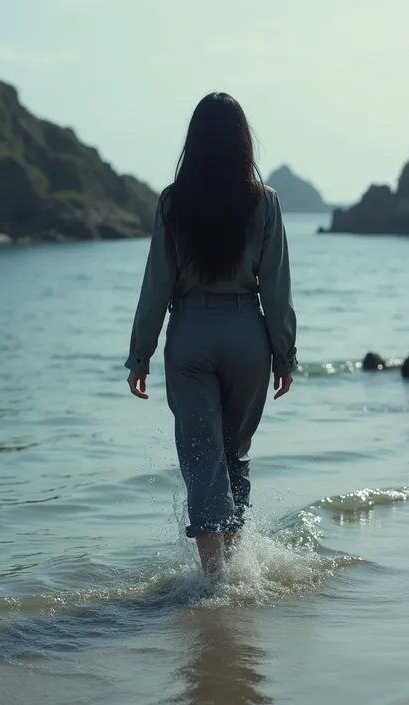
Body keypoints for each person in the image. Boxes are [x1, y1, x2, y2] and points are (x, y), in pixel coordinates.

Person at [125, 92, 297, 578]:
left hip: (191, 337)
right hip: (248, 334)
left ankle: (215, 582)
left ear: (193, 142)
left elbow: (156, 285)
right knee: (232, 454)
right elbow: (278, 290)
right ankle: (239, 572)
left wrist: (140, 355)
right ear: (244, 142)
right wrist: (285, 355)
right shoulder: (265, 203)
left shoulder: (173, 202)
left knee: (203, 459)